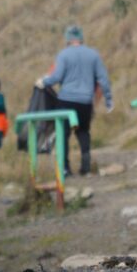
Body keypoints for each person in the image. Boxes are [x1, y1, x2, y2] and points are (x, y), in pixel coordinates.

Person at [36, 25, 113, 176]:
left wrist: (44, 82)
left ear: (67, 39)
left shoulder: (63, 55)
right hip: (85, 101)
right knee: (83, 132)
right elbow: (103, 79)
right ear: (81, 38)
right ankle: (85, 167)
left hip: (66, 100)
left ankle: (65, 168)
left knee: (63, 134)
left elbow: (56, 77)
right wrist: (109, 100)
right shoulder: (93, 54)